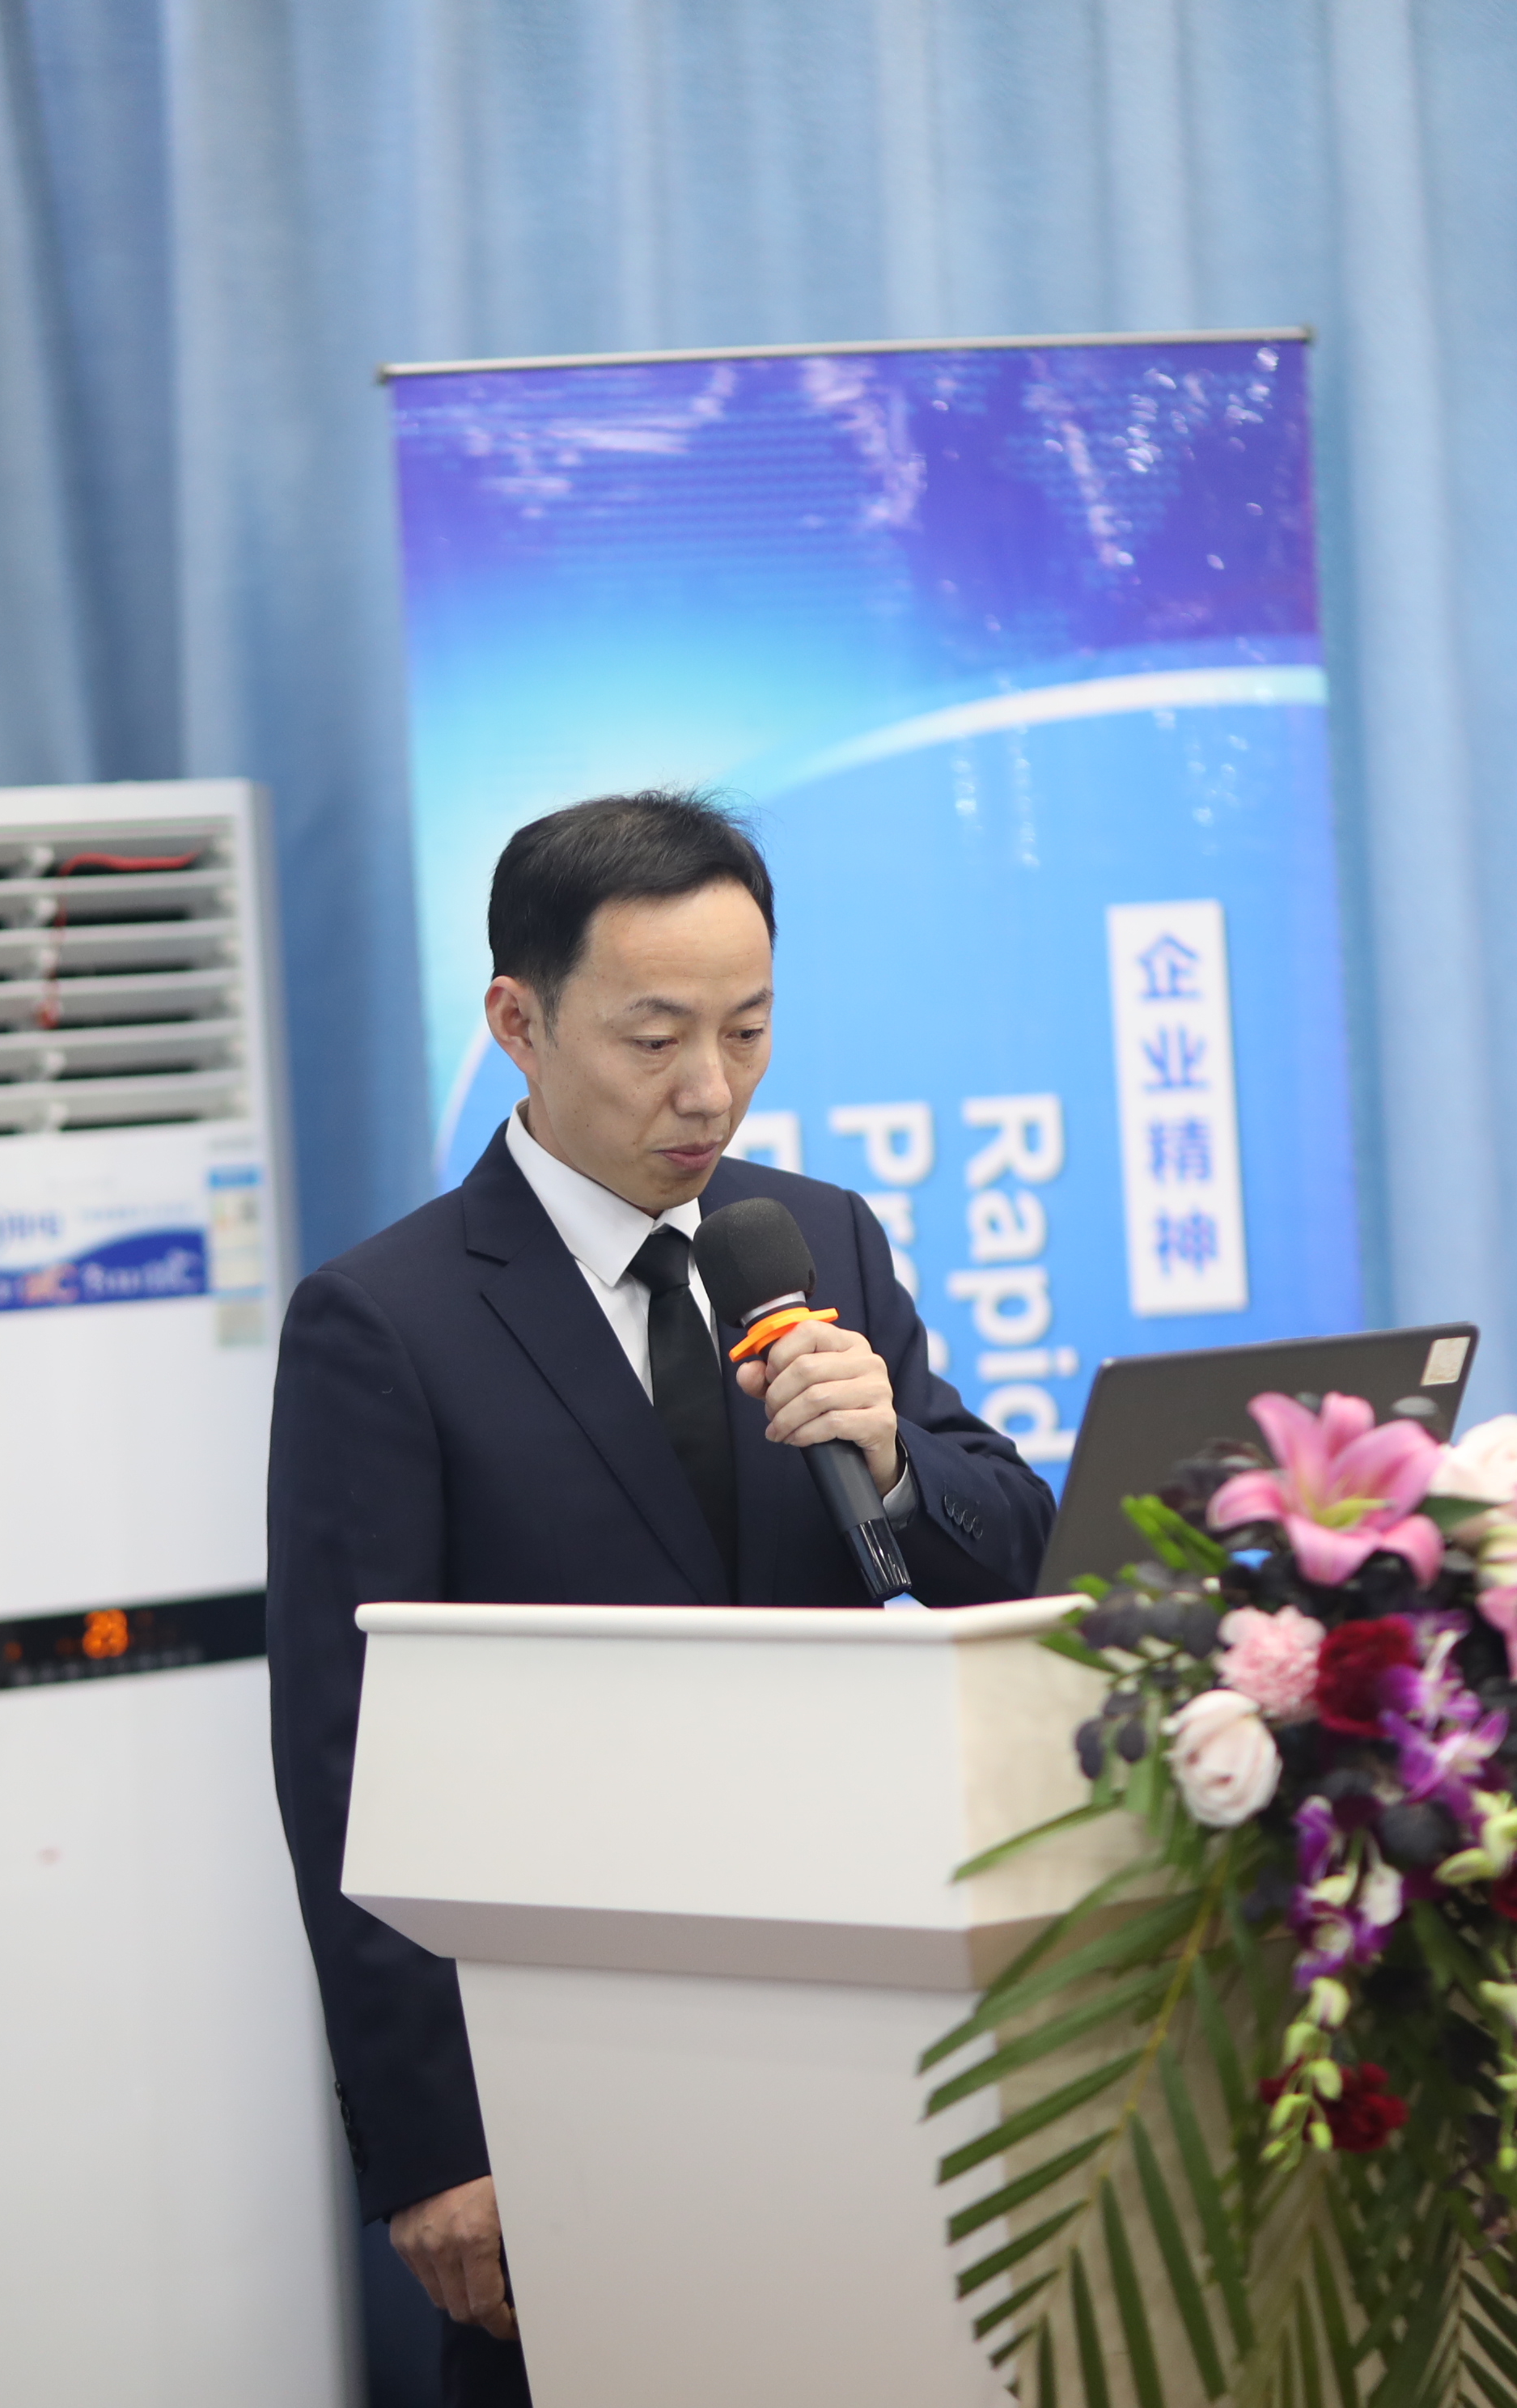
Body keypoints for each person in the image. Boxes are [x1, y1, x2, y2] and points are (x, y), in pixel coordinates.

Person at [265, 791, 1059, 2406]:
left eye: (748, 1029)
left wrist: (894, 1455)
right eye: (655, 1039)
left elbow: (1020, 1551)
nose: (711, 1088)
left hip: (862, 2021)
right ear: (518, 1022)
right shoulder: (385, 1321)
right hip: (570, 2059)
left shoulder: (817, 1237)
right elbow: (345, 1759)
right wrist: (434, 2146)